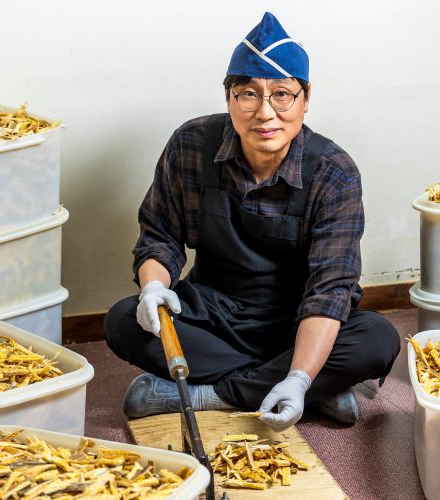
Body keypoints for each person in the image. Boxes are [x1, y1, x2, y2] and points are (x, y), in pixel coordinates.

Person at [104, 12, 401, 430]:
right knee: (122, 320)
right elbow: (160, 237)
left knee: (377, 339)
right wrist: (154, 286)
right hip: (214, 312)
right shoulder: (191, 144)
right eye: (248, 94)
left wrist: (299, 375)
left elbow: (331, 288)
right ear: (228, 97)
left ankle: (214, 395)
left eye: (282, 94)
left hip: (296, 319)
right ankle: (320, 390)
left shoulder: (334, 171)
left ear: (305, 97)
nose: (265, 113)